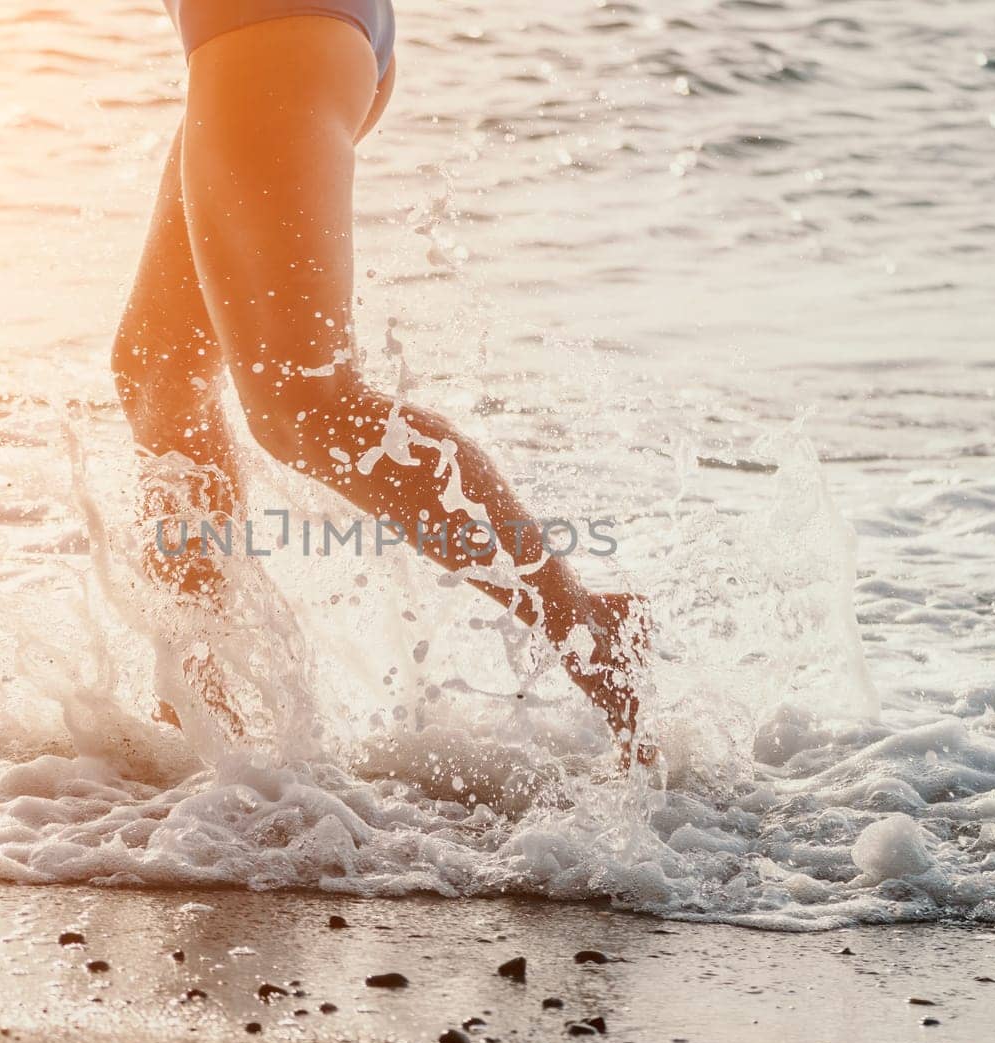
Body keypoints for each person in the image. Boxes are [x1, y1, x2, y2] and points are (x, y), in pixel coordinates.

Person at [111, 0, 652, 766]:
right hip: (265, 38)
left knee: (308, 407)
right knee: (159, 375)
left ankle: (589, 627)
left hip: (270, 28)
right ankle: (199, 710)